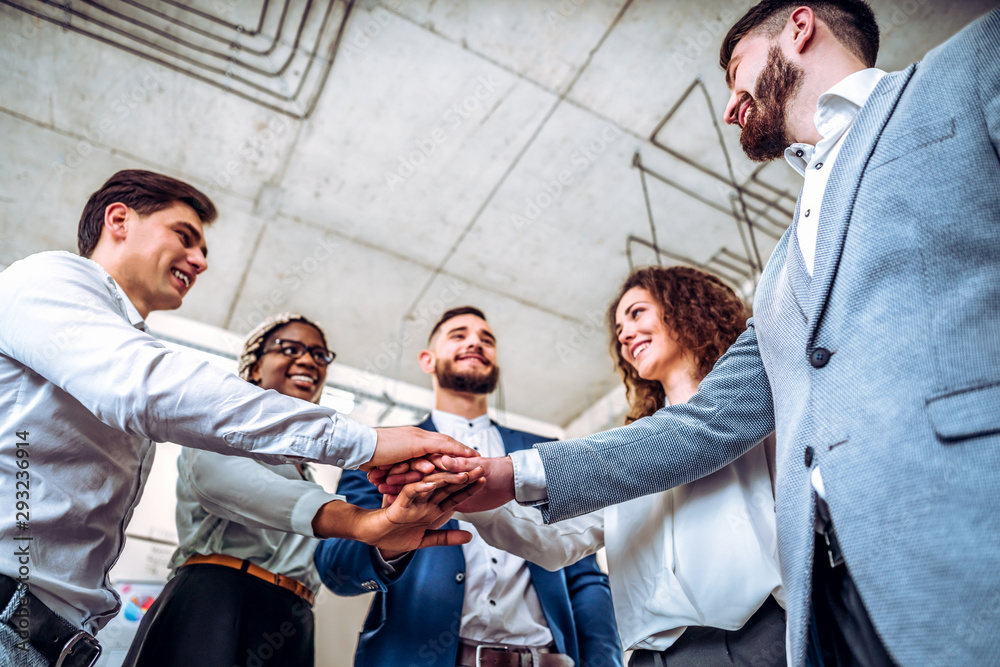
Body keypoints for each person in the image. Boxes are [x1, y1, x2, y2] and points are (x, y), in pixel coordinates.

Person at [381, 3, 1000, 665]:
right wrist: (483, 484)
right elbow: (686, 436)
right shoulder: (782, 271)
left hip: (913, 552)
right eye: (619, 326)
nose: (732, 105)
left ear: (799, 25)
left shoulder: (965, 68)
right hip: (773, 621)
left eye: (737, 72)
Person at [0, 170, 478, 667]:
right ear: (118, 219)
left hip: (60, 633)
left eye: (319, 356)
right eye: (185, 237)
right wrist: (365, 454)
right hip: (203, 605)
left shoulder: (297, 461)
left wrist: (381, 526)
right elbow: (161, 405)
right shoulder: (50, 279)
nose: (201, 261)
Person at [461, 267, 786, 666]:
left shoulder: (757, 404)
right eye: (619, 329)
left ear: (685, 308)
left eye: (637, 313)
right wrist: (464, 493)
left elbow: (695, 433)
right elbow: (555, 539)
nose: (626, 334)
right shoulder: (623, 454)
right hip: (652, 656)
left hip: (759, 638)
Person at [122, 313, 477, 667]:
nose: (308, 360)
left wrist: (393, 524)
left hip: (294, 615)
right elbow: (233, 485)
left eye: (319, 355)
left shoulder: (306, 473)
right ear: (256, 366)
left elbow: (336, 559)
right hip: (218, 601)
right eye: (290, 348)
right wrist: (359, 520)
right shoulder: (218, 426)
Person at [316, 307, 622, 667]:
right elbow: (336, 568)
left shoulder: (545, 451)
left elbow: (585, 577)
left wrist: (605, 661)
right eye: (459, 335)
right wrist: (388, 543)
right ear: (427, 360)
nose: (475, 342)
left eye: (486, 339)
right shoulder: (383, 452)